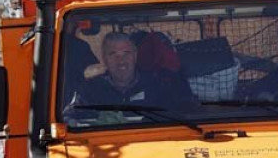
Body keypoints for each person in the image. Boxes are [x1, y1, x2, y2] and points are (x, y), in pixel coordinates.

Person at [64, 32, 194, 124]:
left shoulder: (156, 84)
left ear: (135, 55)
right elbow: (67, 118)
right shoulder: (89, 90)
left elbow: (179, 115)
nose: (121, 61)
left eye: (127, 53)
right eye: (113, 54)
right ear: (104, 58)